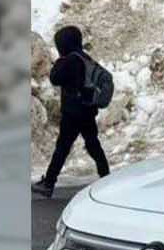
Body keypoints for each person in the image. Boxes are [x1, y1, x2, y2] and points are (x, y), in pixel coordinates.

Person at [34, 25, 110, 199]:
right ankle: (106, 177)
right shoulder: (85, 58)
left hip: (72, 113)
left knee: (62, 148)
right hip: (88, 110)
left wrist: (59, 62)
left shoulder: (68, 60)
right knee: (93, 144)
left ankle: (48, 183)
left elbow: (54, 78)